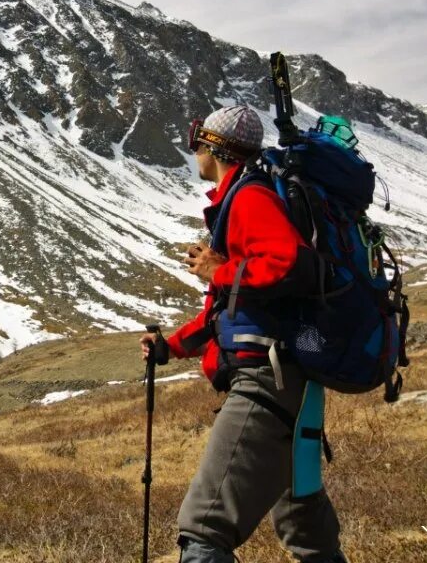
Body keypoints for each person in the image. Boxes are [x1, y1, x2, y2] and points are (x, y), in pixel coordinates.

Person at [141, 105, 348, 563]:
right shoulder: (239, 201)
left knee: (204, 530)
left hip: (264, 381)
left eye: (198, 137)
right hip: (294, 379)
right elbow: (230, 307)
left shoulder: (251, 198)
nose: (192, 147)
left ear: (214, 146)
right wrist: (171, 347)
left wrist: (220, 269)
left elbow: (289, 264)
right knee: (303, 522)